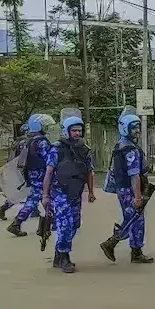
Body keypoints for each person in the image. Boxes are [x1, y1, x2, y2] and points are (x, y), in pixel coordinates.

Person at [41, 114, 96, 274]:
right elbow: (49, 172)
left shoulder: (84, 150)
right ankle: (64, 257)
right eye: (74, 131)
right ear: (67, 131)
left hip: (75, 193)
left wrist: (91, 192)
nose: (77, 134)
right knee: (65, 225)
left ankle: (59, 254)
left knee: (74, 224)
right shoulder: (57, 148)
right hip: (60, 192)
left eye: (79, 130)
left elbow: (89, 172)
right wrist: (45, 196)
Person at [100, 113, 154, 264]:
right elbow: (134, 175)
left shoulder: (121, 144)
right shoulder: (129, 149)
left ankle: (120, 245)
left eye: (138, 127)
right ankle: (127, 248)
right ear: (125, 129)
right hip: (129, 189)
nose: (137, 130)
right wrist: (137, 197)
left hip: (123, 188)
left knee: (132, 218)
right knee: (136, 219)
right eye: (133, 128)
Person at [6, 113, 54, 237]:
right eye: (45, 126)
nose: (47, 128)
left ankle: (46, 224)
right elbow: (48, 158)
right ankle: (18, 223)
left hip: (32, 172)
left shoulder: (29, 139)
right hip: (41, 174)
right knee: (38, 198)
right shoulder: (41, 141)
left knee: (37, 198)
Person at [0, 123, 31, 220]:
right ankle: (3, 209)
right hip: (21, 169)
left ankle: (3, 209)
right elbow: (23, 158)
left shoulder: (17, 141)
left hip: (14, 169)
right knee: (23, 191)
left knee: (23, 191)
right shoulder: (24, 142)